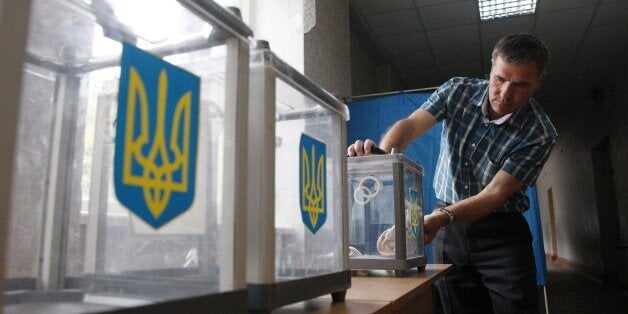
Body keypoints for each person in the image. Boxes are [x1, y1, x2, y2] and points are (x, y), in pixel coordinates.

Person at [347, 33, 557, 313]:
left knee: (516, 305)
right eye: (500, 79)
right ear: (492, 66)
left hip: (501, 231)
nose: (505, 94)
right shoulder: (457, 90)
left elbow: (495, 194)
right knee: (457, 305)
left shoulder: (539, 133)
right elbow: (410, 125)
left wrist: (440, 218)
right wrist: (381, 160)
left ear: (538, 82)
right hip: (448, 231)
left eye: (520, 85)